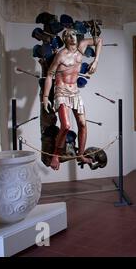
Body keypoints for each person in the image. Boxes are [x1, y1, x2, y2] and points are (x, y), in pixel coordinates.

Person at [42, 28, 102, 170]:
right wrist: (45, 97)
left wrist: (96, 61)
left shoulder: (81, 48)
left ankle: (80, 154)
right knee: (66, 126)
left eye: (74, 34)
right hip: (61, 92)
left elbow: (99, 40)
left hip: (75, 92)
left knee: (82, 124)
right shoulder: (61, 55)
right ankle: (56, 155)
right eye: (68, 36)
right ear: (65, 39)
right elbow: (50, 75)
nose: (72, 37)